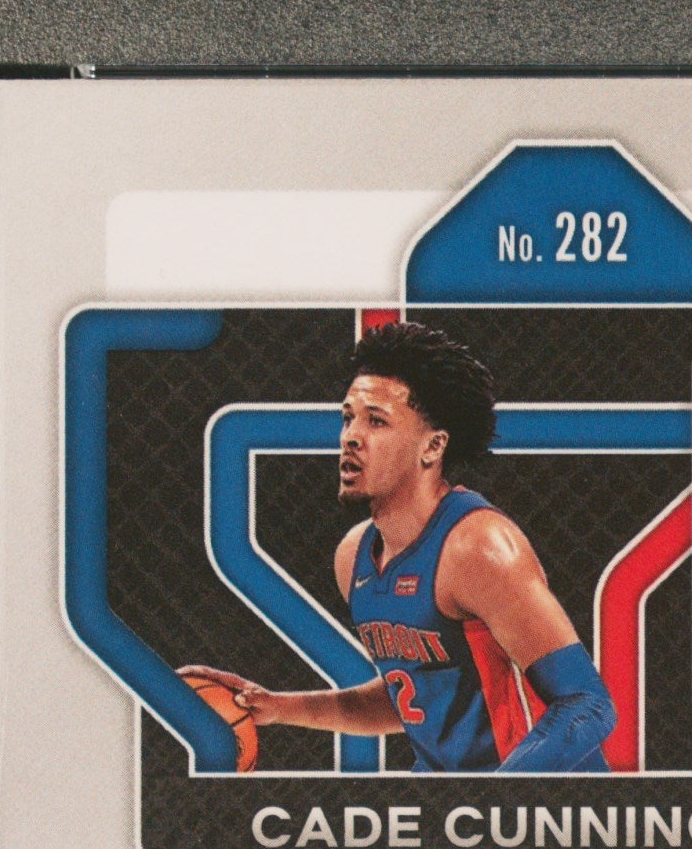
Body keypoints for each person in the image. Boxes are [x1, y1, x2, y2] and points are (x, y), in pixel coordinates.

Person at [181, 320, 615, 774]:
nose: (351, 436)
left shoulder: (477, 548)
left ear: (433, 446)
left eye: (376, 421)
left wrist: (494, 802)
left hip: (537, 800)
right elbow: (413, 699)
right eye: (348, 417)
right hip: (453, 800)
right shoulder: (354, 557)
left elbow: (586, 704)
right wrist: (279, 707)